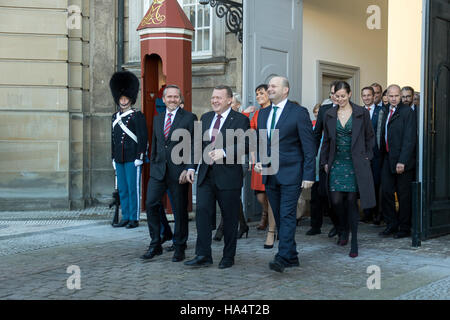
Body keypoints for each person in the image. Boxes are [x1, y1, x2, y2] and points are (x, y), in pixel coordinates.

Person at [184, 85, 250, 269]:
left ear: (229, 100)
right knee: (202, 214)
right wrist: (190, 167)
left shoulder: (240, 119)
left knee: (229, 218)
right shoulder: (205, 118)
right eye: (213, 97)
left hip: (228, 176)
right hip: (205, 175)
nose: (214, 101)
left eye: (219, 98)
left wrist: (225, 152)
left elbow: (246, 143)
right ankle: (203, 255)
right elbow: (197, 145)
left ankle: (228, 256)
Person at [254, 76, 316, 273]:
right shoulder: (262, 114)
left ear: (285, 90)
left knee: (287, 214)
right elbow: (263, 142)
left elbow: (309, 146)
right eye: (269, 86)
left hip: (292, 172)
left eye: (274, 86)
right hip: (270, 173)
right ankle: (292, 255)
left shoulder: (298, 113)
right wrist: (259, 161)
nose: (269, 89)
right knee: (280, 215)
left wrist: (309, 174)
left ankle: (282, 256)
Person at [140, 85, 197, 262]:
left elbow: (194, 145)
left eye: (175, 97)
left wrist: (189, 167)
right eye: (169, 97)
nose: (172, 99)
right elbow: (156, 143)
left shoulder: (189, 118)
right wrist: (154, 161)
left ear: (180, 99)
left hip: (179, 172)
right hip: (158, 171)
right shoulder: (158, 119)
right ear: (163, 100)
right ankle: (155, 243)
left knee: (180, 210)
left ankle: (180, 246)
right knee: (151, 204)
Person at [320, 81, 376, 258]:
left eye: (343, 96)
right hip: (336, 161)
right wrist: (324, 162)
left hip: (355, 162)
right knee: (335, 201)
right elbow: (326, 141)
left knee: (352, 202)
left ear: (350, 94)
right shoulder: (329, 114)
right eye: (337, 96)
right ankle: (342, 229)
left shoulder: (361, 113)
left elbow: (370, 137)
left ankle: (354, 242)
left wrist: (367, 156)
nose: (340, 99)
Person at [110, 71, 148, 229]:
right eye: (121, 98)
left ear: (130, 99)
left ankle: (134, 217)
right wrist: (113, 157)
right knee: (123, 189)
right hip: (119, 158)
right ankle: (125, 215)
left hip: (133, 157)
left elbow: (142, 137)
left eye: (126, 98)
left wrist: (140, 155)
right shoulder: (114, 117)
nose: (123, 101)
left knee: (133, 189)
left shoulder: (137, 116)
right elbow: (112, 139)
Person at [379, 85, 416, 239]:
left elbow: (409, 139)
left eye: (396, 96)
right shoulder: (385, 110)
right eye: (391, 96)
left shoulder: (407, 112)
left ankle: (404, 227)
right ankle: (391, 224)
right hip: (387, 158)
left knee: (403, 196)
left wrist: (402, 161)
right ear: (386, 96)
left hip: (402, 160)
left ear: (400, 96)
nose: (393, 98)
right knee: (386, 192)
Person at [241, 84, 276, 248]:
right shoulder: (257, 113)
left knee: (272, 193)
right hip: (258, 157)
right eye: (257, 94)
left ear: (269, 94)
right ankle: (265, 214)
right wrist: (252, 158)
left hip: (272, 156)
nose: (258, 96)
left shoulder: (275, 111)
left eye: (261, 93)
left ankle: (271, 226)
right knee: (260, 195)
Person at [213, 92, 250, 241]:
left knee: (229, 195)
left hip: (239, 161)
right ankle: (243, 224)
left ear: (237, 104)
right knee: (233, 197)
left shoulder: (241, 119)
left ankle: (222, 227)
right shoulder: (218, 119)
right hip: (220, 161)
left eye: (231, 102)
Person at [312, 81, 340, 238]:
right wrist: (313, 156)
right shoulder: (324, 110)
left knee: (342, 196)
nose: (335, 97)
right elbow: (317, 134)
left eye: (338, 93)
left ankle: (344, 227)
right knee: (324, 193)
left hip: (345, 159)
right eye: (332, 94)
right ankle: (337, 223)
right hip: (325, 158)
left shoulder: (354, 110)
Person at [360, 86, 385, 224]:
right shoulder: (357, 111)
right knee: (365, 184)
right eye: (364, 95)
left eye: (369, 95)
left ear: (374, 96)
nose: (367, 98)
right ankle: (367, 212)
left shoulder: (381, 111)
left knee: (376, 183)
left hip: (376, 154)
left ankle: (377, 213)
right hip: (362, 154)